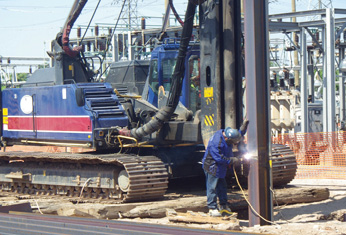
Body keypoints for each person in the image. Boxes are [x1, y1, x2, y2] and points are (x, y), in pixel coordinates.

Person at [202, 120, 249, 217]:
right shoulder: (216, 142)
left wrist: (242, 129)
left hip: (220, 166)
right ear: (226, 138)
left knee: (222, 186)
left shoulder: (228, 136)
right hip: (212, 166)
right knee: (212, 188)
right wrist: (232, 160)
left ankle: (223, 206)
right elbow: (219, 158)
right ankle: (212, 208)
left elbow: (237, 135)